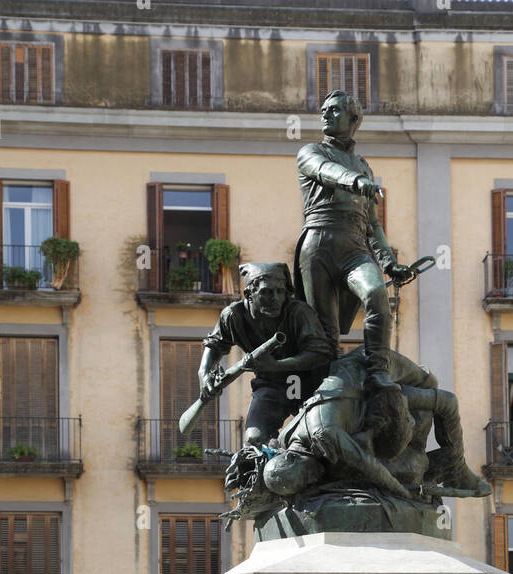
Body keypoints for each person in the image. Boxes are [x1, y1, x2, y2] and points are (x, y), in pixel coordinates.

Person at [224, 345, 490, 512]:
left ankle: (459, 472)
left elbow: (369, 466)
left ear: (294, 458)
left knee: (441, 396)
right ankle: (449, 465)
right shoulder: (285, 441)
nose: (313, 481)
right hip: (372, 414)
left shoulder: (324, 433)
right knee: (415, 454)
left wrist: (401, 491)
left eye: (306, 478)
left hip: (372, 372)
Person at [294, 89, 415, 394]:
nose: (325, 115)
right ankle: (326, 391)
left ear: (352, 118)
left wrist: (389, 263)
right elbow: (326, 172)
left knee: (376, 295)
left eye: (333, 110)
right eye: (323, 110)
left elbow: (373, 223)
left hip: (354, 246)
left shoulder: (364, 165)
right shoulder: (311, 152)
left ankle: (377, 371)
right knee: (325, 332)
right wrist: (356, 182)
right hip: (319, 244)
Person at [197, 261, 332, 447]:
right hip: (271, 386)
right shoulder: (233, 316)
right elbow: (215, 344)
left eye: (280, 292)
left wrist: (277, 365)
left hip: (314, 385)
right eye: (266, 292)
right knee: (254, 440)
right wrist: (204, 373)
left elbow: (320, 353)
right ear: (249, 295)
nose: (275, 298)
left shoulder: (299, 313)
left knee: (322, 440)